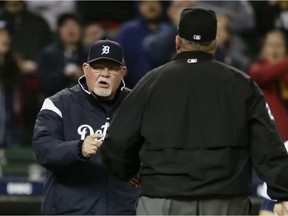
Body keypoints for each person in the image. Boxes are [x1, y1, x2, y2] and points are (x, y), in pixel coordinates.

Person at [101, 8, 288, 215]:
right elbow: (268, 145)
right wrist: (283, 192)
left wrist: (129, 171)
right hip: (224, 200)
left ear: (177, 42)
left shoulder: (151, 82)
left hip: (163, 199)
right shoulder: (241, 84)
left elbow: (116, 142)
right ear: (215, 43)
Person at [32, 39, 138, 215]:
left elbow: (153, 147)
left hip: (122, 210)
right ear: (86, 69)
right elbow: (44, 150)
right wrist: (78, 148)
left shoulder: (136, 104)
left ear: (122, 72)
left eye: (112, 68)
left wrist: (140, 166)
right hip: (71, 211)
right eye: (98, 67)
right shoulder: (58, 104)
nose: (104, 74)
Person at [247, 29, 288, 215]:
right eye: (271, 45)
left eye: (279, 45)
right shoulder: (256, 70)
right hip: (270, 150)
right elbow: (262, 75)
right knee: (271, 203)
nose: (275, 49)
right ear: (263, 48)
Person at [115, 0, 173, 88]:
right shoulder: (128, 31)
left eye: (155, 2)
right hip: (134, 88)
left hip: (165, 88)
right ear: (138, 6)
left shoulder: (170, 31)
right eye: (146, 2)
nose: (151, 6)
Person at [37, 13, 85, 98]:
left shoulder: (88, 53)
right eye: (66, 26)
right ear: (59, 30)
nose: (71, 30)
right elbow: (43, 83)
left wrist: (82, 75)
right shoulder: (48, 54)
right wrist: (63, 74)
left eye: (74, 25)